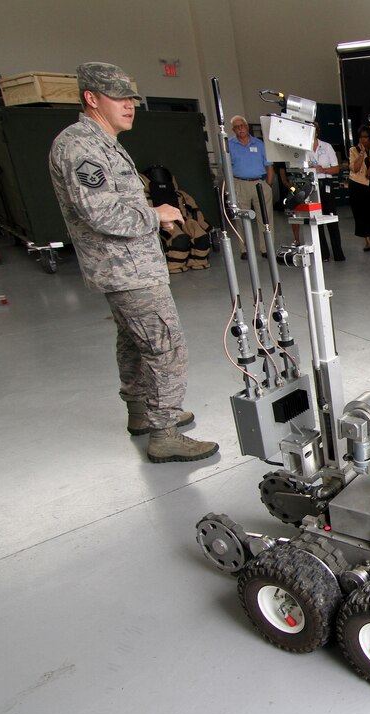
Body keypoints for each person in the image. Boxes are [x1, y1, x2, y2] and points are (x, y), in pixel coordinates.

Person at [48, 62, 218, 463]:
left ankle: (142, 412)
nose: (130, 105)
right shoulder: (81, 146)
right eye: (119, 98)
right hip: (126, 269)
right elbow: (101, 213)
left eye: (131, 98)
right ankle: (165, 431)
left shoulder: (102, 142)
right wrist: (154, 214)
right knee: (165, 344)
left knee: (134, 341)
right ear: (91, 98)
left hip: (128, 265)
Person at [289, 123, 344, 261]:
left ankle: (338, 253)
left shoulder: (326, 146)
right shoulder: (301, 149)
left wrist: (323, 169)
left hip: (325, 182)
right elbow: (296, 167)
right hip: (310, 184)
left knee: (331, 217)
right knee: (316, 218)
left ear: (317, 132)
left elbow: (336, 168)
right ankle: (323, 254)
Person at [228, 115, 274, 259]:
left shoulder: (259, 144)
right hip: (240, 184)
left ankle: (266, 248)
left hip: (260, 183)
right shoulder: (229, 145)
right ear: (233, 130)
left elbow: (269, 165)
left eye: (242, 126)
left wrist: (268, 184)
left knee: (265, 217)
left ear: (247, 127)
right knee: (242, 218)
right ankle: (245, 249)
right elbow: (226, 167)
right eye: (237, 127)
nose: (240, 129)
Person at [349, 125, 370, 251]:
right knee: (361, 213)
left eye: (366, 137)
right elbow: (355, 168)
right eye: (361, 137)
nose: (363, 139)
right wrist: (362, 153)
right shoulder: (354, 150)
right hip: (358, 184)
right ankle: (367, 240)